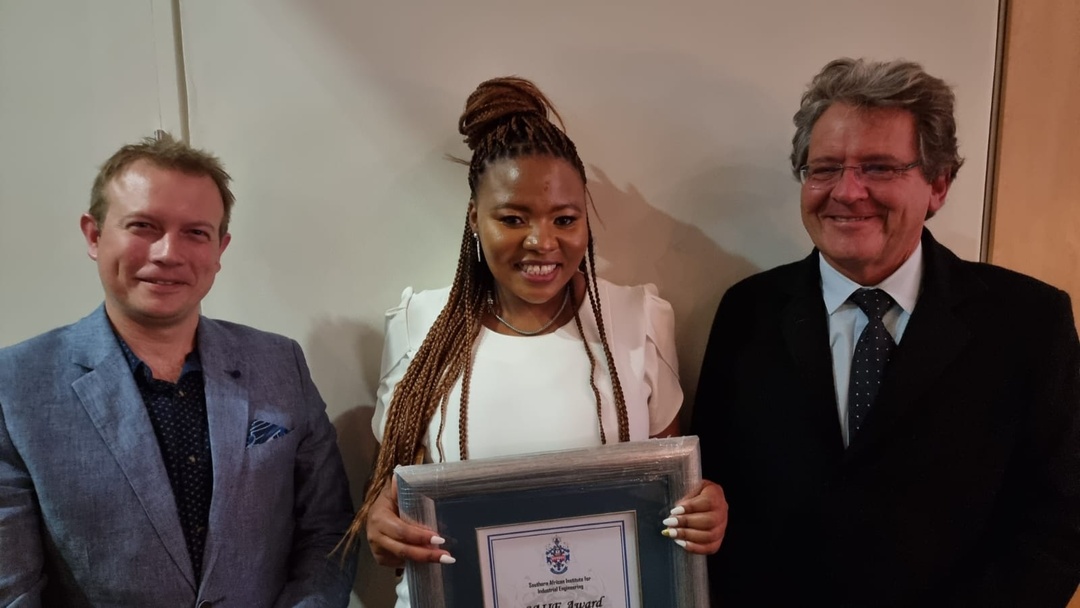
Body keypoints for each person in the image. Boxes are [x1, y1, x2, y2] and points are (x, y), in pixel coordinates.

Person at [692, 57, 1080, 606]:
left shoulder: (1029, 322)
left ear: (938, 184)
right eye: (824, 168)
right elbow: (712, 493)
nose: (847, 191)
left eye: (878, 168)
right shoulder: (747, 312)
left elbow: (1060, 518)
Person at [341, 77, 727, 606]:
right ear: (474, 219)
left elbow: (670, 490)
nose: (542, 242)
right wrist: (382, 526)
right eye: (512, 218)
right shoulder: (419, 326)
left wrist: (704, 509)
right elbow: (389, 496)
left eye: (565, 219)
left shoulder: (637, 320)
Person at [0, 133, 356, 606]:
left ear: (220, 248)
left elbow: (328, 531)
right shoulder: (16, 385)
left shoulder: (280, 363)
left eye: (196, 232)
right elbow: (12, 588)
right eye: (143, 226)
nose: (168, 253)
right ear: (94, 234)